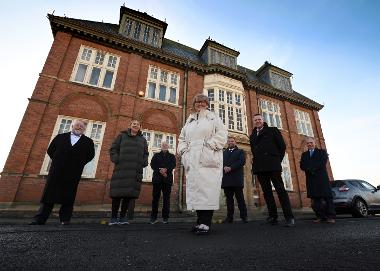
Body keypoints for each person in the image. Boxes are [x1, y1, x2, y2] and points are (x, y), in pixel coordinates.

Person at [178, 93, 228, 235]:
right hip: (192, 159)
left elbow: (222, 134)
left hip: (208, 158)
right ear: (194, 104)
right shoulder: (190, 121)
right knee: (197, 192)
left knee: (207, 191)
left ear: (207, 104)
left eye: (203, 102)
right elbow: (181, 139)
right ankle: (200, 222)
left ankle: (205, 223)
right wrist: (183, 152)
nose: (200, 104)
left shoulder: (213, 117)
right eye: (197, 102)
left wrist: (209, 146)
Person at [30, 119, 95, 225]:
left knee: (69, 196)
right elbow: (50, 150)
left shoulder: (88, 142)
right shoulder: (60, 137)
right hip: (57, 170)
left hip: (74, 172)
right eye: (77, 125)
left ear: (84, 129)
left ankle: (65, 219)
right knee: (49, 195)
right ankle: (40, 219)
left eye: (82, 126)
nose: (79, 127)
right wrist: (57, 160)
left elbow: (90, 155)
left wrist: (80, 163)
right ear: (72, 126)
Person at [249, 113, 295, 227]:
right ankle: (273, 217)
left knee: (281, 191)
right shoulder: (253, 134)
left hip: (273, 165)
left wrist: (276, 160)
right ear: (253, 121)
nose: (258, 121)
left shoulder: (273, 130)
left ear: (263, 120)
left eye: (259, 119)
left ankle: (289, 217)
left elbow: (282, 147)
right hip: (260, 167)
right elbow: (254, 151)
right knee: (267, 193)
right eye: (256, 120)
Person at [109, 119, 149, 225]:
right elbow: (113, 149)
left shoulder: (142, 140)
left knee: (128, 196)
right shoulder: (121, 136)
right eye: (133, 124)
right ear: (130, 126)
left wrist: (144, 162)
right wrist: (117, 159)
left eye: (137, 124)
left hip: (134, 170)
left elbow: (146, 153)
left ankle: (122, 218)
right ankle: (113, 218)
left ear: (140, 127)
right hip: (121, 169)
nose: (135, 125)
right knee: (117, 195)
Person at [300, 137, 336, 223]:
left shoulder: (322, 152)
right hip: (311, 179)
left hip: (321, 178)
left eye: (311, 142)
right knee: (315, 199)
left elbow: (322, 163)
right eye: (308, 143)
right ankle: (320, 216)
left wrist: (312, 168)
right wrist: (309, 169)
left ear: (315, 143)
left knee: (327, 198)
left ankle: (330, 217)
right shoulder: (304, 155)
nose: (309, 144)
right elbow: (302, 165)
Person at [221, 136, 248, 223]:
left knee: (240, 199)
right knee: (229, 200)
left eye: (232, 141)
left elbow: (242, 161)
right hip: (227, 179)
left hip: (237, 179)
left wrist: (231, 168)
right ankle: (229, 217)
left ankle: (244, 217)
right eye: (229, 141)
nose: (230, 142)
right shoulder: (223, 153)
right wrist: (224, 167)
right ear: (227, 143)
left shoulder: (240, 152)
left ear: (235, 142)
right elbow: (219, 162)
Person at [149, 141, 176, 224]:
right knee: (155, 199)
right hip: (157, 180)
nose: (164, 146)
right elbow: (152, 164)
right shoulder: (156, 155)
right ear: (161, 146)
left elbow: (173, 165)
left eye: (166, 145)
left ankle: (165, 218)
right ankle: (153, 218)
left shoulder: (172, 156)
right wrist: (160, 170)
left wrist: (166, 170)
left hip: (167, 180)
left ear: (168, 147)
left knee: (166, 199)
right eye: (163, 145)